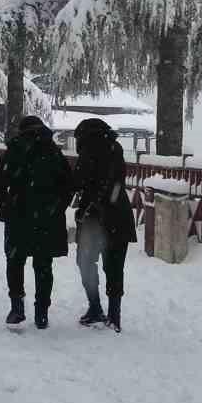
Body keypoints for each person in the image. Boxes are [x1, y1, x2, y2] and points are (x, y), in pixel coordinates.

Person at [0, 115, 73, 329]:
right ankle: (42, 312)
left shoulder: (16, 149)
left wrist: (5, 207)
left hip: (19, 215)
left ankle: (17, 308)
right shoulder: (53, 151)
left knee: (15, 262)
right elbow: (67, 185)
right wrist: (57, 208)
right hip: (47, 218)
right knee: (43, 265)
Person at [72, 118, 135, 332]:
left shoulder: (89, 151)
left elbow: (78, 181)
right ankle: (114, 315)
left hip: (94, 219)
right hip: (119, 217)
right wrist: (111, 201)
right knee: (115, 266)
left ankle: (95, 307)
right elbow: (119, 182)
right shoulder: (115, 149)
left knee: (86, 262)